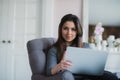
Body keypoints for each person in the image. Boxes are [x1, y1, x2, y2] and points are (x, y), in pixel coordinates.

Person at [46, 14, 119, 80]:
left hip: (90, 76)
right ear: (60, 29)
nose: (69, 33)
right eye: (65, 28)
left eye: (73, 29)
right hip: (72, 77)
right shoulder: (54, 50)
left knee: (110, 76)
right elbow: (49, 71)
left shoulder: (86, 46)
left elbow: (95, 67)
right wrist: (59, 66)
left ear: (78, 31)